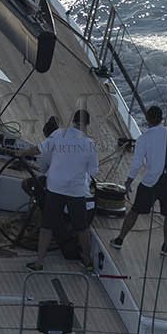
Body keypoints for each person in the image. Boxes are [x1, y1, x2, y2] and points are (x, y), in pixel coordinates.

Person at [26, 110, 98, 275]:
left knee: (47, 226)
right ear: (86, 125)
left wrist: (21, 153)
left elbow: (37, 150)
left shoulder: (59, 134)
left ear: (73, 121)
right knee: (82, 228)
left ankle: (39, 262)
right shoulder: (90, 144)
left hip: (55, 188)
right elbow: (93, 171)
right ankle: (87, 262)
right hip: (76, 191)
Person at [111, 105, 167, 255]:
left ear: (147, 120)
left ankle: (119, 240)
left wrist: (128, 182)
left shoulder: (143, 139)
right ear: (161, 119)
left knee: (135, 211)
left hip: (152, 181)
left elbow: (137, 164)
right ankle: (166, 246)